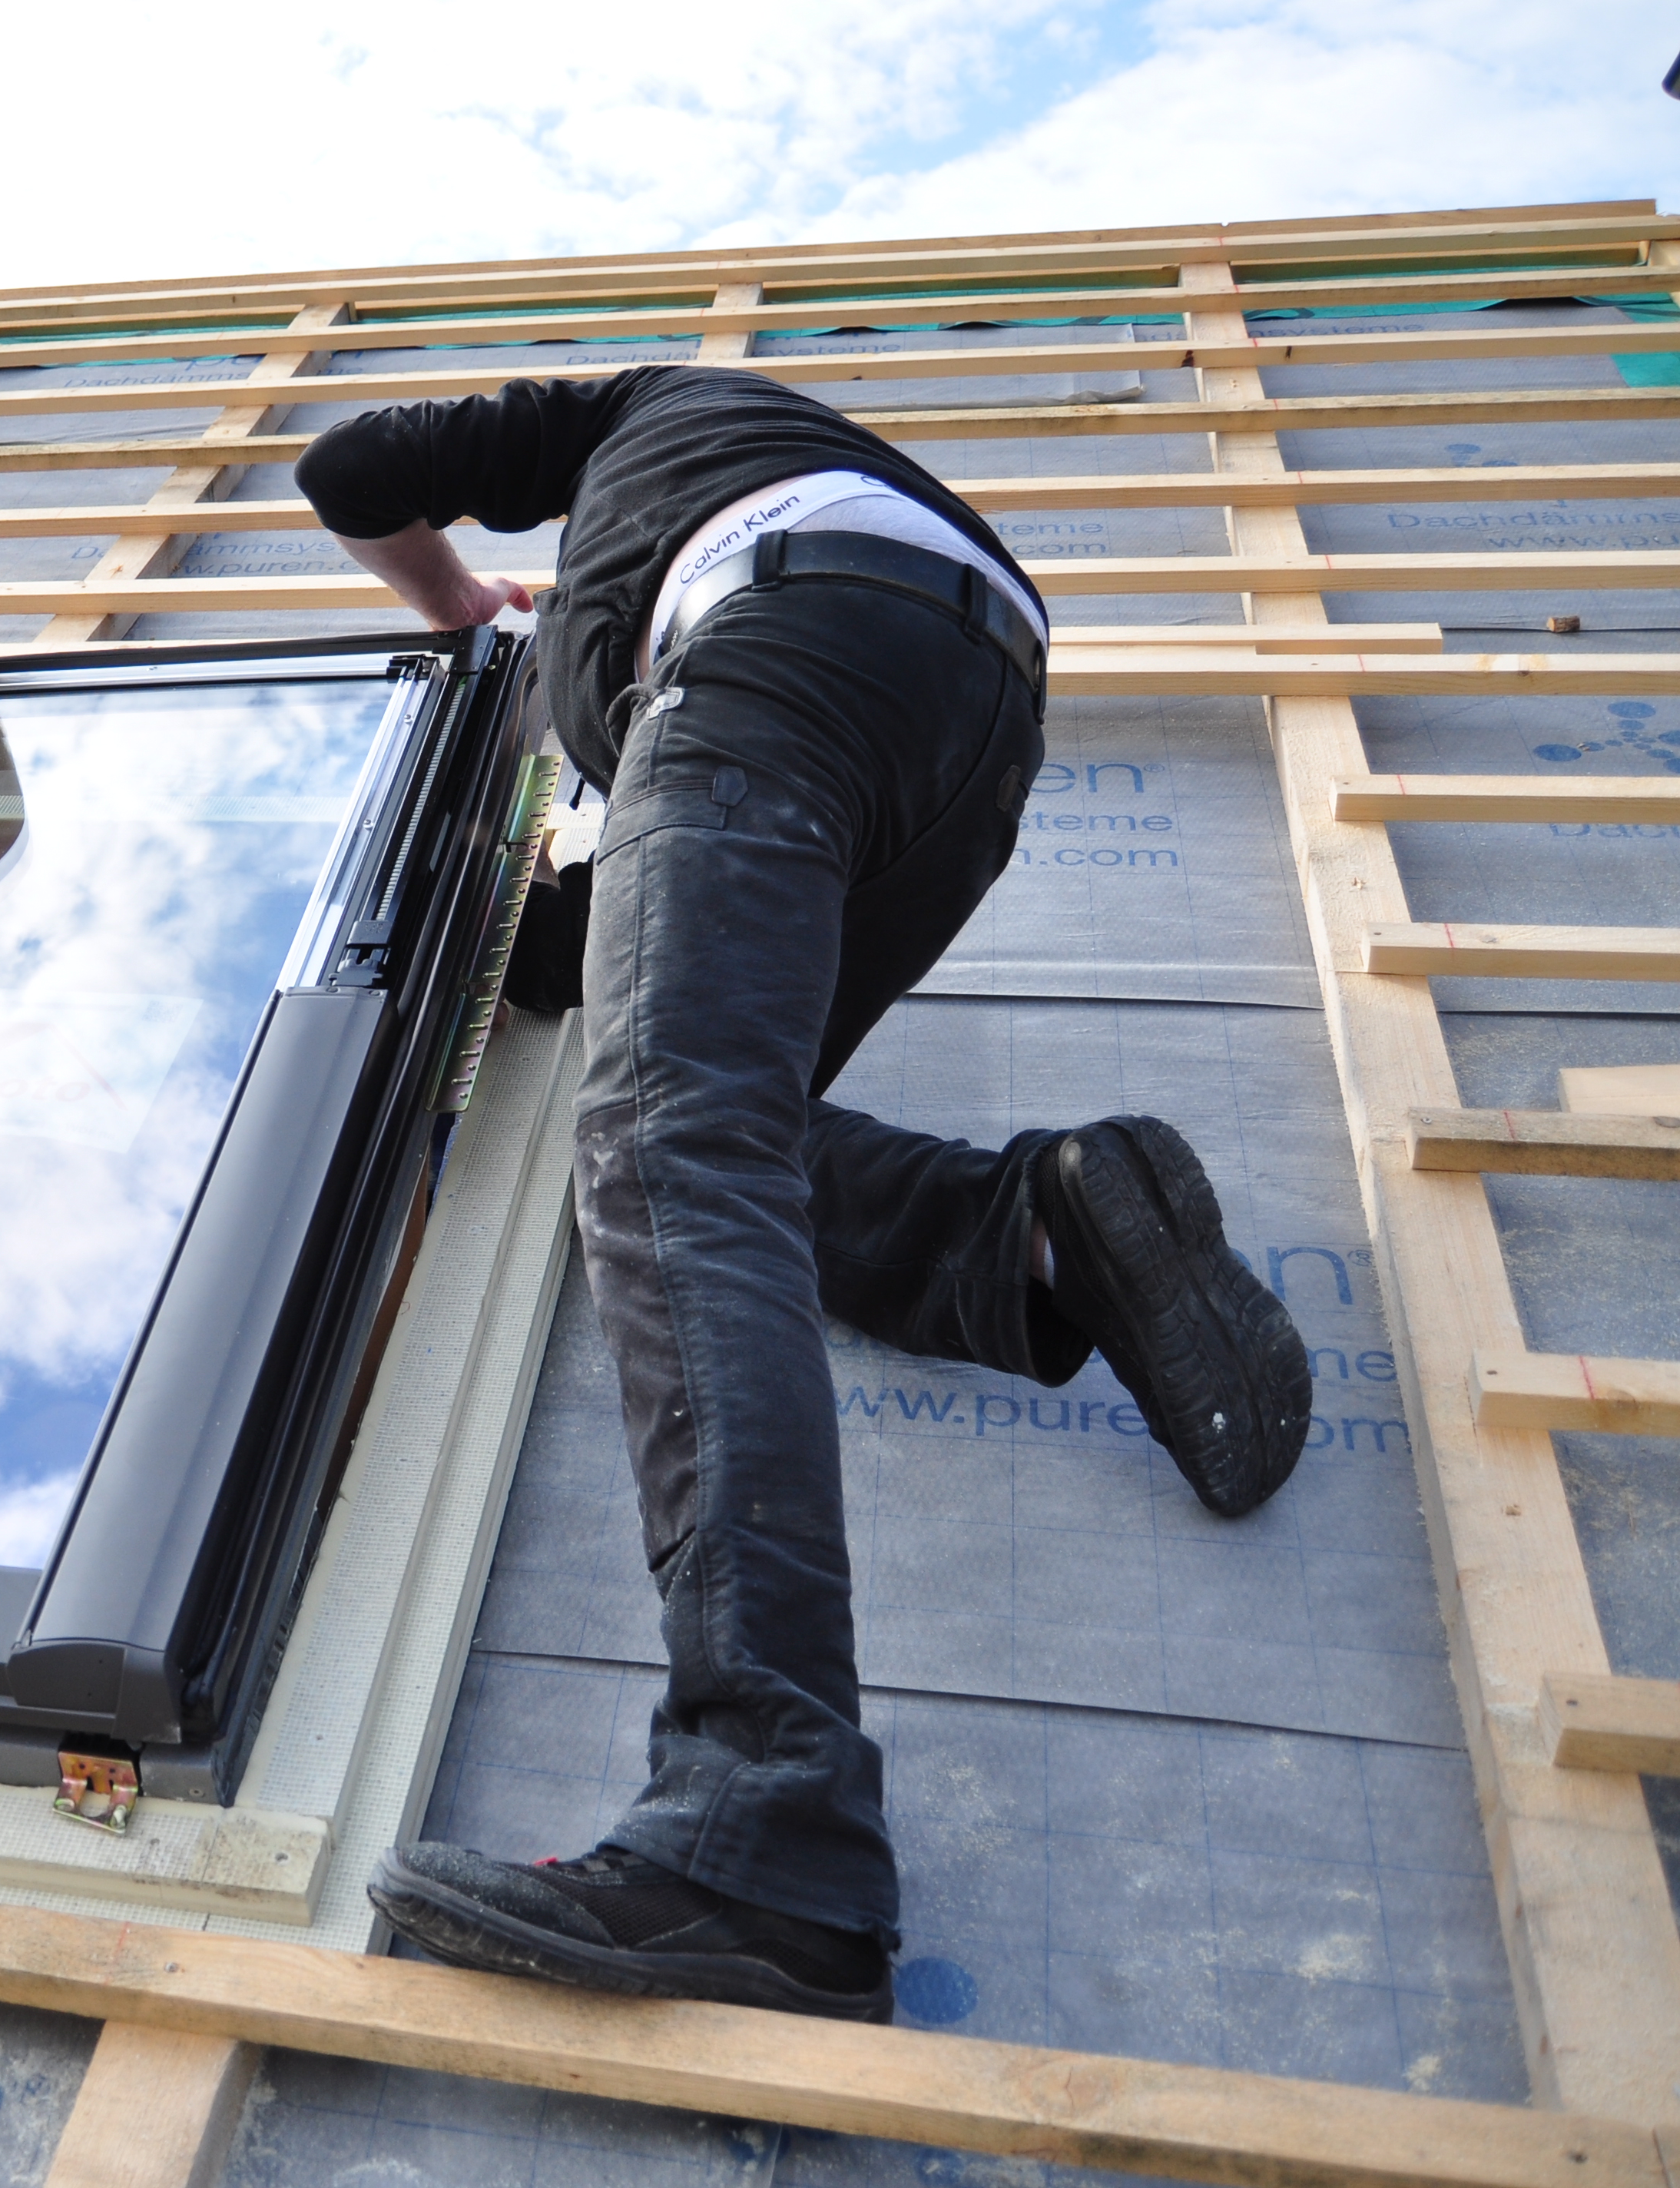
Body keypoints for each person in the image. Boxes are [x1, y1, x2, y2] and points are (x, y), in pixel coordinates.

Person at [303, 366, 1314, 2023]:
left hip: (771, 650)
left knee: (668, 1153)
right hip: (974, 705)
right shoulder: (742, 436)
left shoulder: (625, 414)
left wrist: (463, 604)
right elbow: (599, 967)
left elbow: (348, 464)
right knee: (733, 1136)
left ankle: (764, 1823)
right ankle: (1043, 1234)